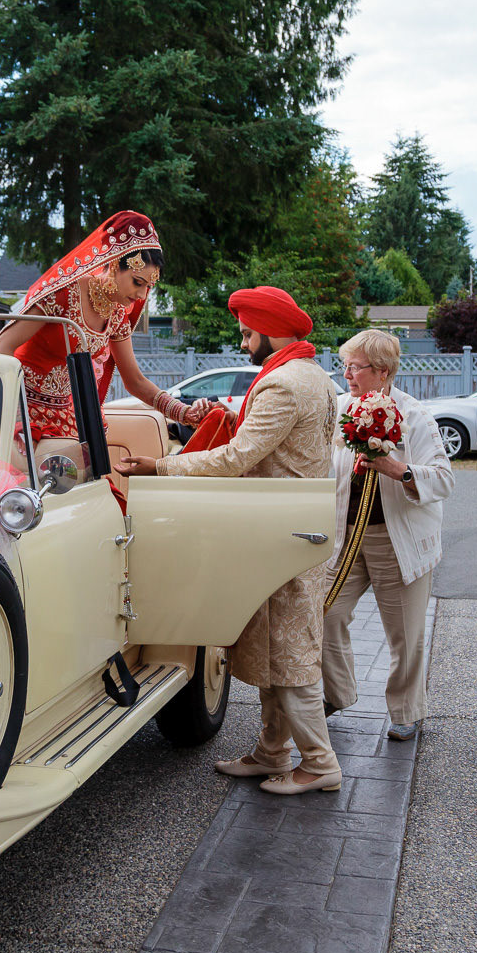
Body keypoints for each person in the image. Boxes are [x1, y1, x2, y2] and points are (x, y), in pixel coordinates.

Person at [115, 287, 341, 795]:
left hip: (279, 530)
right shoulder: (312, 374)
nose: (243, 345)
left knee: (291, 655)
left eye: (246, 333)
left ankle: (320, 765)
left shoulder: (282, 384)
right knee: (272, 648)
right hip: (284, 525)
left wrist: (160, 466)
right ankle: (271, 752)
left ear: (267, 329)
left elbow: (234, 459)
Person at [322, 329, 454, 742]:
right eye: (344, 365)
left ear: (382, 371)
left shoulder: (413, 416)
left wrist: (396, 468)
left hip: (396, 541)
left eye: (355, 367)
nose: (346, 374)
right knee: (324, 614)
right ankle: (337, 693)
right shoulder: (340, 409)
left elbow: (444, 479)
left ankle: (405, 710)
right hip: (345, 536)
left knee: (405, 635)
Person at [0, 210, 210, 441]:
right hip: (23, 416)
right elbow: (2, 347)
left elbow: (134, 381)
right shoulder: (63, 293)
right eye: (138, 282)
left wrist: (183, 412)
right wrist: (15, 417)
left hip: (67, 418)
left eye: (148, 286)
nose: (141, 294)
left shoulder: (116, 316)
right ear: (114, 263)